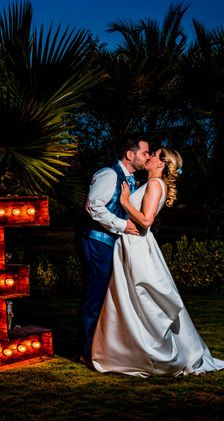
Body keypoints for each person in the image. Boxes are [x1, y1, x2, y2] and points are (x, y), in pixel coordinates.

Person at [92, 148, 224, 376]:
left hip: (138, 247)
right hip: (130, 245)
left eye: (154, 154)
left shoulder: (155, 185)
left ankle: (153, 353)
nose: (149, 156)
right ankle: (128, 350)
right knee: (130, 299)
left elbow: (145, 220)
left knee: (142, 298)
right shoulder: (151, 183)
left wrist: (124, 202)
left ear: (161, 164)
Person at [78, 138, 149, 365]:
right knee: (95, 296)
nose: (147, 157)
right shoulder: (109, 174)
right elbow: (92, 206)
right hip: (96, 241)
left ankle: (100, 347)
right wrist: (122, 225)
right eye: (145, 153)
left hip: (110, 244)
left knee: (104, 296)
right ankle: (86, 351)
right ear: (130, 154)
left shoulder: (132, 180)